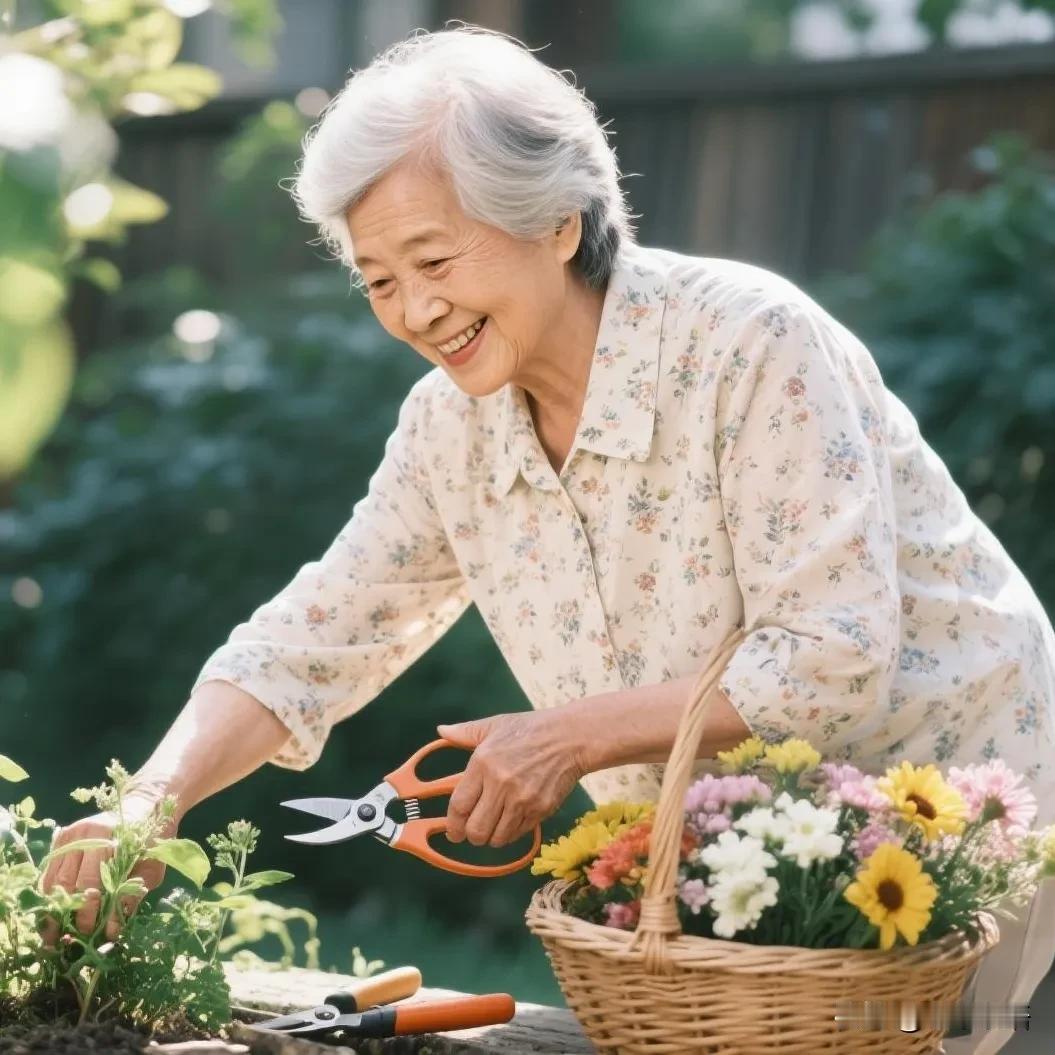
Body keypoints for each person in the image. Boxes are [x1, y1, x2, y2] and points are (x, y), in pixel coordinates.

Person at [44, 26, 1055, 1054]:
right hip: (756, 908)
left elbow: (830, 658)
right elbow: (310, 635)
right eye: (380, 281)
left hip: (978, 854)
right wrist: (149, 802)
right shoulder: (450, 430)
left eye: (432, 259)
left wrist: (567, 734)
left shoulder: (749, 345)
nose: (416, 309)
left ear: (557, 222)